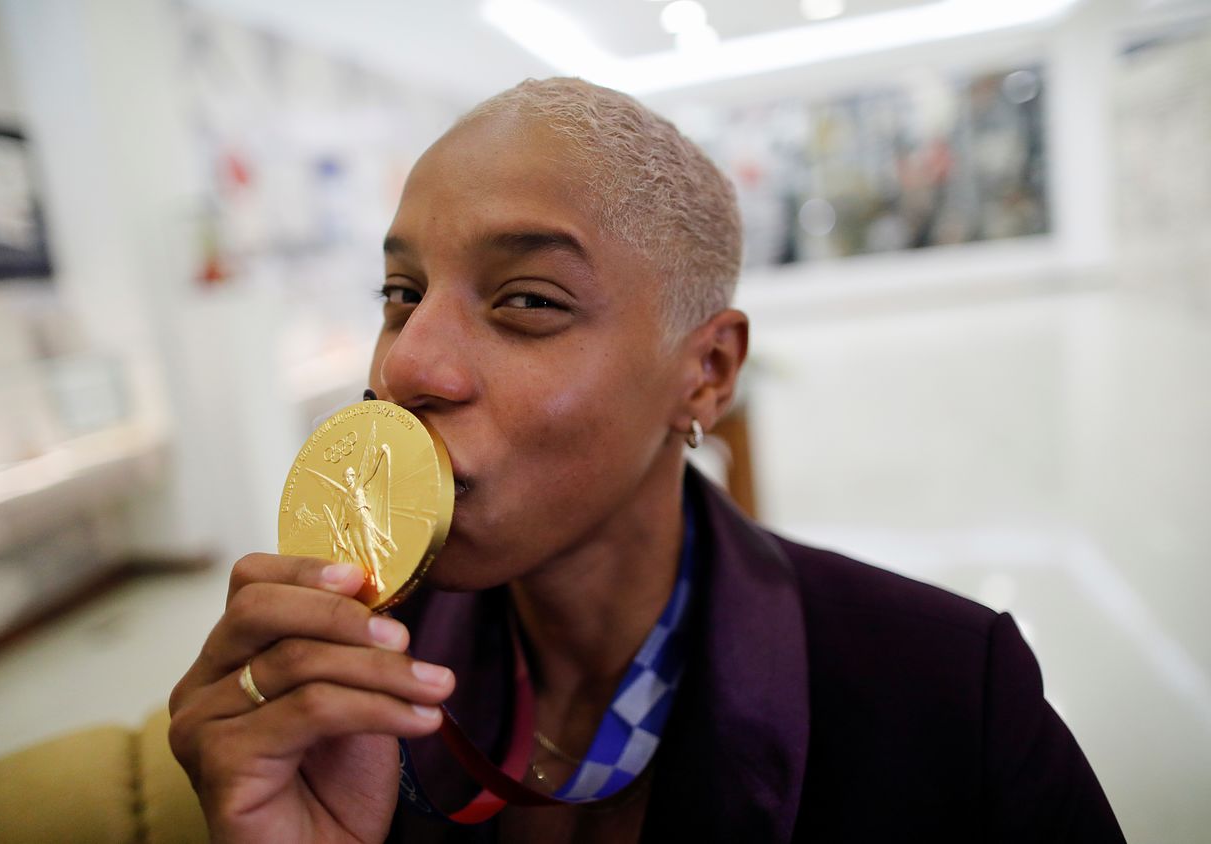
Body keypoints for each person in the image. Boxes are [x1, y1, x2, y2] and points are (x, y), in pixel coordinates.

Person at [168, 78, 1125, 843]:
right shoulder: (340, 677)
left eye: (527, 300)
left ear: (706, 374)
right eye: (400, 293)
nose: (405, 366)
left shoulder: (945, 698)